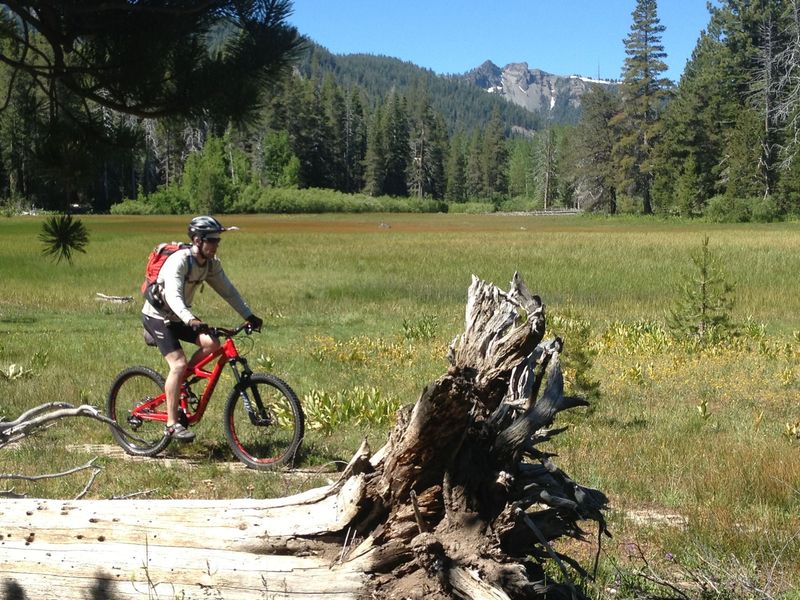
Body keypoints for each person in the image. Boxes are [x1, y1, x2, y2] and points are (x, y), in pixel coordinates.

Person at [141, 215, 263, 441]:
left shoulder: (210, 265)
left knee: (212, 343)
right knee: (178, 364)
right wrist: (190, 319)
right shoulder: (179, 261)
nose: (216, 244)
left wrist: (249, 315)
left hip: (180, 317)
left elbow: (228, 291)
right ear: (197, 240)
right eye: (212, 240)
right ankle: (171, 424)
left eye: (218, 240)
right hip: (157, 316)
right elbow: (173, 296)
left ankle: (181, 383)